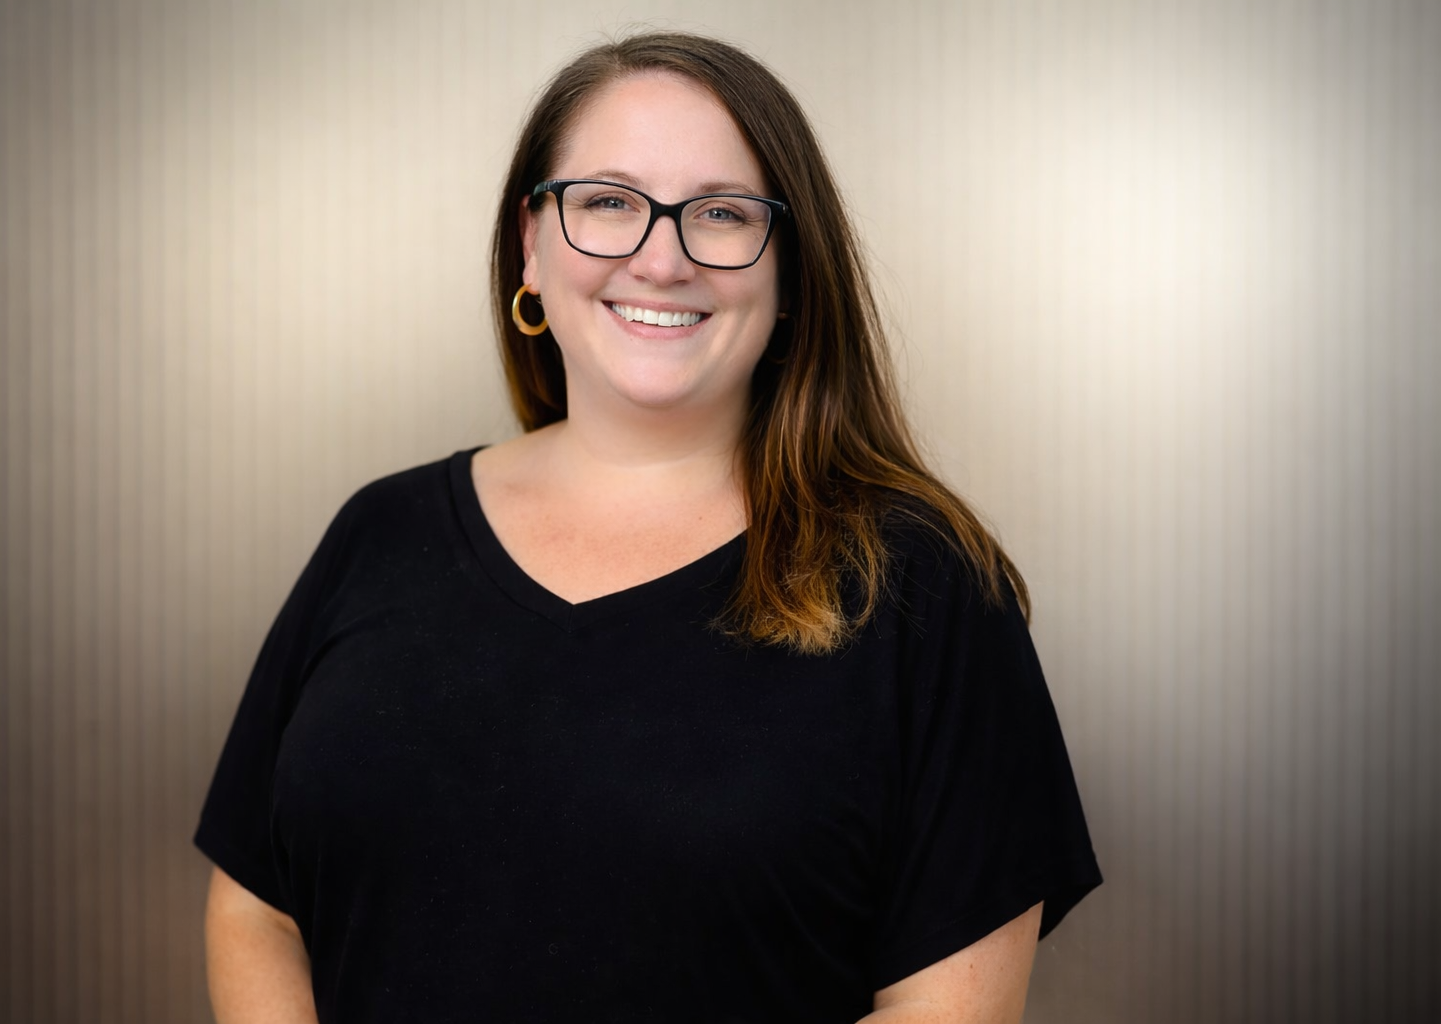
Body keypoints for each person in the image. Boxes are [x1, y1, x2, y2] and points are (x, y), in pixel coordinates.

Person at [196, 31, 1100, 1024]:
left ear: (794, 271)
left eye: (720, 213)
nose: (660, 258)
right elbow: (258, 910)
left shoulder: (924, 592)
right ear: (530, 245)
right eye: (608, 203)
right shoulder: (377, 533)